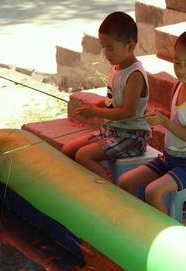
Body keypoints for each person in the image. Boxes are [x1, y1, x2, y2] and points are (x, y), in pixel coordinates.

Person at [118, 29, 186, 214]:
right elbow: (179, 118)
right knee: (125, 182)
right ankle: (135, 227)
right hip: (169, 158)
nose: (180, 69)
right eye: (176, 62)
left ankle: (164, 237)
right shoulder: (179, 85)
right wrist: (161, 115)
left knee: (153, 191)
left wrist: (164, 122)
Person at [61, 11, 150, 181]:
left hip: (131, 136)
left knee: (83, 156)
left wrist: (96, 113)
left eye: (110, 48)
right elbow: (113, 101)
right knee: (68, 150)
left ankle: (109, 191)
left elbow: (128, 112)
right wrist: (96, 106)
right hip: (111, 131)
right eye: (103, 47)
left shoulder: (135, 74)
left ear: (130, 46)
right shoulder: (116, 67)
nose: (106, 54)